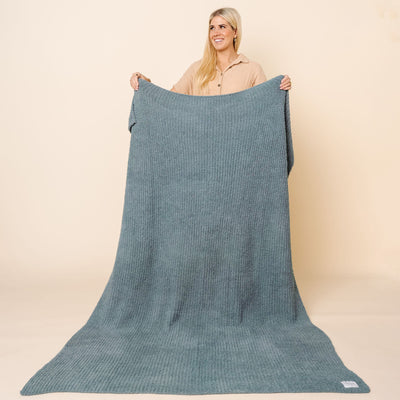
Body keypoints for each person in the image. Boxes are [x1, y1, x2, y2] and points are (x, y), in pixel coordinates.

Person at [130, 7, 292, 95]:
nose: (216, 33)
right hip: (200, 142)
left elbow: (264, 108)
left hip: (238, 144)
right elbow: (168, 100)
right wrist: (145, 84)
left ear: (235, 32)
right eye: (212, 28)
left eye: (222, 27)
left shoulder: (253, 69)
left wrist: (280, 89)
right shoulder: (197, 69)